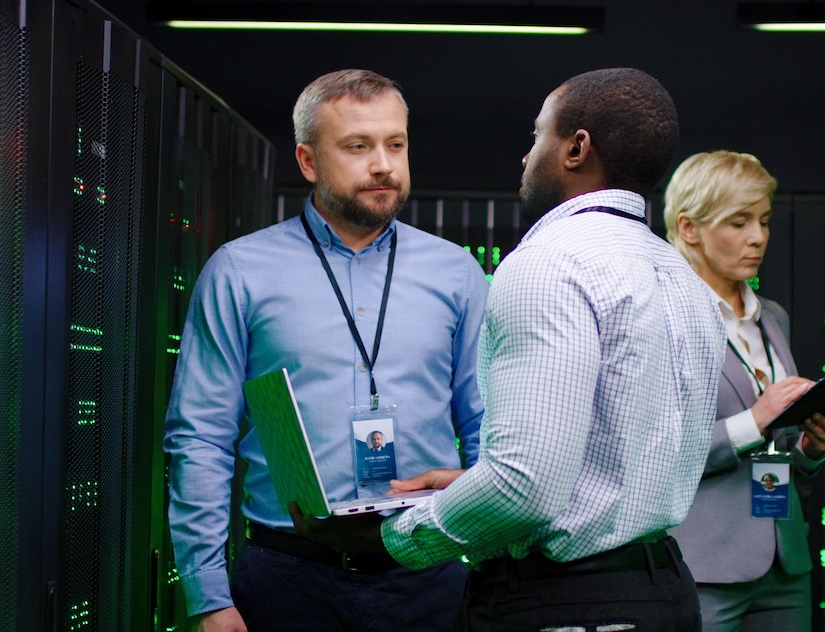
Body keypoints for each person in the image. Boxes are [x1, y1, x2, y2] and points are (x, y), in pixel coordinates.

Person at [289, 67, 726, 631]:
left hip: (564, 604)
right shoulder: (680, 274)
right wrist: (475, 482)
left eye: (536, 136)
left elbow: (527, 490)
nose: (525, 158)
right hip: (664, 593)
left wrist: (391, 537)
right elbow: (617, 461)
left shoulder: (547, 263)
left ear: (576, 149)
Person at [164, 69, 490, 632]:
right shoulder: (241, 271)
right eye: (358, 146)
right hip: (286, 578)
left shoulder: (457, 273)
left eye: (396, 144)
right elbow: (200, 438)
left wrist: (491, 556)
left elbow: (488, 423)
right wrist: (208, 597)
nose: (383, 164)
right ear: (309, 161)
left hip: (427, 578)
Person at [663, 150, 825, 632]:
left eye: (763, 220)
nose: (758, 237)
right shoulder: (665, 320)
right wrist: (757, 418)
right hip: (704, 564)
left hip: (785, 560)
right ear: (689, 228)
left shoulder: (773, 316)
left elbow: (780, 448)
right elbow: (661, 452)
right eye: (739, 222)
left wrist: (810, 447)